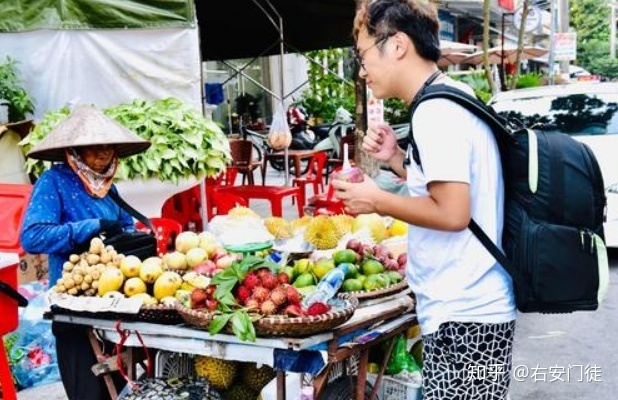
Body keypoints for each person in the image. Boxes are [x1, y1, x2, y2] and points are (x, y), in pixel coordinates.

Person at [332, 1, 517, 399]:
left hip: (465, 315)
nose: (362, 70)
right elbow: (449, 191)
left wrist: (376, 199)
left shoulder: (436, 112)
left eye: (363, 55)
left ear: (397, 45)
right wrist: (398, 161)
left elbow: (452, 213)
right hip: (469, 309)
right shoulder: (449, 94)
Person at [20, 104, 151, 400]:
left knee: (118, 387)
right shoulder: (53, 182)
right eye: (95, 146)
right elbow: (32, 236)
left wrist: (129, 234)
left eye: (109, 146)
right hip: (73, 308)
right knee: (89, 391)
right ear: (75, 151)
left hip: (112, 302)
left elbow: (124, 226)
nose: (104, 153)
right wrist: (89, 226)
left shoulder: (107, 187)